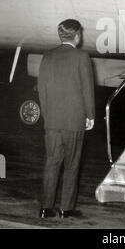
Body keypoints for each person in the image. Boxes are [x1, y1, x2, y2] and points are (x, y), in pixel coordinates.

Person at [37, 19, 95, 219]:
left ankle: (45, 208)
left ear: (60, 35)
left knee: (51, 163)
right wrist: (90, 115)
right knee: (72, 165)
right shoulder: (81, 56)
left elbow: (42, 91)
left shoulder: (48, 56)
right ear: (77, 36)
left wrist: (48, 116)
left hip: (52, 121)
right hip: (74, 121)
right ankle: (66, 208)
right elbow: (87, 89)